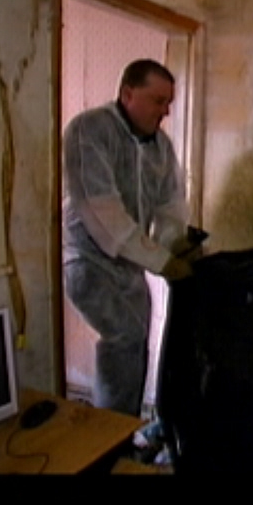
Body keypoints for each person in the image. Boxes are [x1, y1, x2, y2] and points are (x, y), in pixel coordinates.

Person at [62, 58, 199, 417]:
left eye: (169, 102)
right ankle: (108, 429)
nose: (165, 111)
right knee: (124, 336)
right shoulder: (89, 131)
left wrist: (175, 245)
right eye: (158, 101)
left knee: (137, 343)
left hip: (129, 265)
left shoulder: (160, 146)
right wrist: (162, 262)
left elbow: (170, 205)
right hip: (89, 259)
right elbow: (101, 211)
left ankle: (125, 425)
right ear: (127, 94)